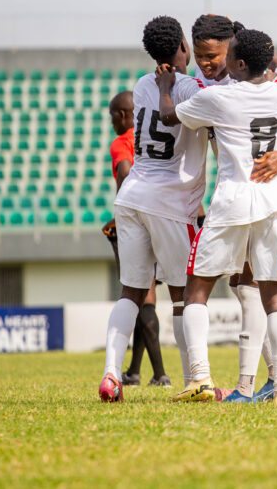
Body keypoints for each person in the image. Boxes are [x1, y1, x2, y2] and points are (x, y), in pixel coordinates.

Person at [157, 28, 277, 404]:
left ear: (239, 64)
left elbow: (169, 117)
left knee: (196, 289)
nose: (221, 60)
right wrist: (263, 45)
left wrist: (167, 87)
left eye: (229, 53)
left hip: (232, 202)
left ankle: (200, 378)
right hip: (271, 201)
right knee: (275, 296)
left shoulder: (219, 98)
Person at [190, 14, 277, 402]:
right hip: (254, 194)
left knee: (248, 286)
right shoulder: (250, 85)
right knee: (249, 287)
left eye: (214, 55)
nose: (207, 63)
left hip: (257, 190)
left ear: (234, 55)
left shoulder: (233, 89)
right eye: (199, 56)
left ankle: (250, 384)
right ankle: (276, 380)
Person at [98, 16, 209, 403]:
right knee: (184, 295)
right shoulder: (191, 89)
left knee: (130, 292)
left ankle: (111, 375)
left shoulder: (142, 85)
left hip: (132, 196)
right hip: (170, 201)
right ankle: (194, 379)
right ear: (183, 47)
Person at [101, 90, 169, 388]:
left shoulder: (122, 142)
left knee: (138, 292)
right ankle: (136, 371)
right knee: (146, 295)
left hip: (138, 220)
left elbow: (125, 171)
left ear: (122, 114)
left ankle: (160, 374)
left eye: (112, 117)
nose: (112, 123)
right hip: (164, 216)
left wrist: (123, 214)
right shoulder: (149, 134)